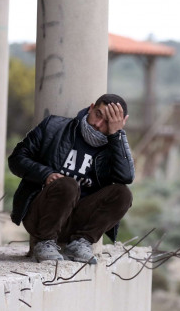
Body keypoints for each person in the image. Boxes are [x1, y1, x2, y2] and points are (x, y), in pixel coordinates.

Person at [8, 94, 134, 264]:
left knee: (123, 194)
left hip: (78, 221)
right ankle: (44, 242)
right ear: (91, 108)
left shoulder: (112, 146)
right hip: (41, 214)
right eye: (98, 114)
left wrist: (116, 135)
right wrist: (45, 174)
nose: (98, 124)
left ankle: (80, 243)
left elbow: (125, 177)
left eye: (107, 122)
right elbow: (16, 159)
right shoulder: (53, 126)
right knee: (68, 184)